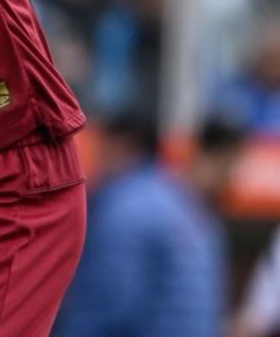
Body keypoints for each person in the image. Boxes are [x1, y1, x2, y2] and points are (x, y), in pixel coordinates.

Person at [56, 114, 242, 337]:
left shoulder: (126, 202)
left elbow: (104, 304)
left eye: (102, 149)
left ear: (121, 145)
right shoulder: (196, 211)